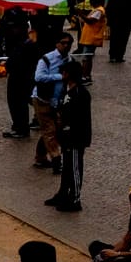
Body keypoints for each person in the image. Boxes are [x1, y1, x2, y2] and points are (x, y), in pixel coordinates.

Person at [48, 70, 90, 211]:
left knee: (75, 168)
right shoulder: (68, 91)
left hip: (75, 138)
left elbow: (79, 118)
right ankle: (63, 194)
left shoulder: (80, 93)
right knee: (67, 168)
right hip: (66, 137)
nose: (62, 75)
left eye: (64, 72)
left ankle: (75, 199)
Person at [32, 33, 72, 172]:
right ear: (57, 44)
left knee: (53, 130)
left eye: (69, 43)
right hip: (42, 100)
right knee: (50, 130)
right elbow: (39, 77)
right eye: (63, 42)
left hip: (57, 101)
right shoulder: (47, 59)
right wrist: (59, 76)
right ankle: (56, 159)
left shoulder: (69, 60)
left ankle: (40, 157)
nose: (66, 45)